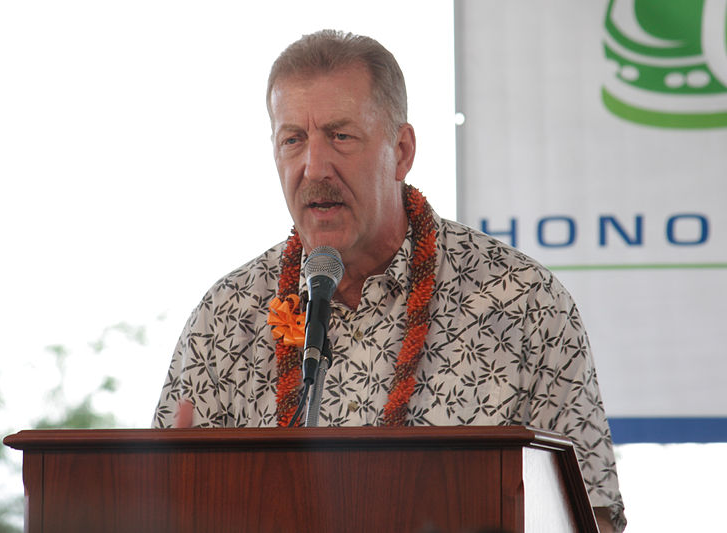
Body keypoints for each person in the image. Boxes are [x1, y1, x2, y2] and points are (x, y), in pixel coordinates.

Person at [153, 29, 626, 532]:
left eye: (340, 136)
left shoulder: (524, 304)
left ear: (400, 150)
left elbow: (591, 515)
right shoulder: (225, 317)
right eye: (292, 140)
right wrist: (168, 496)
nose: (314, 167)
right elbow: (157, 511)